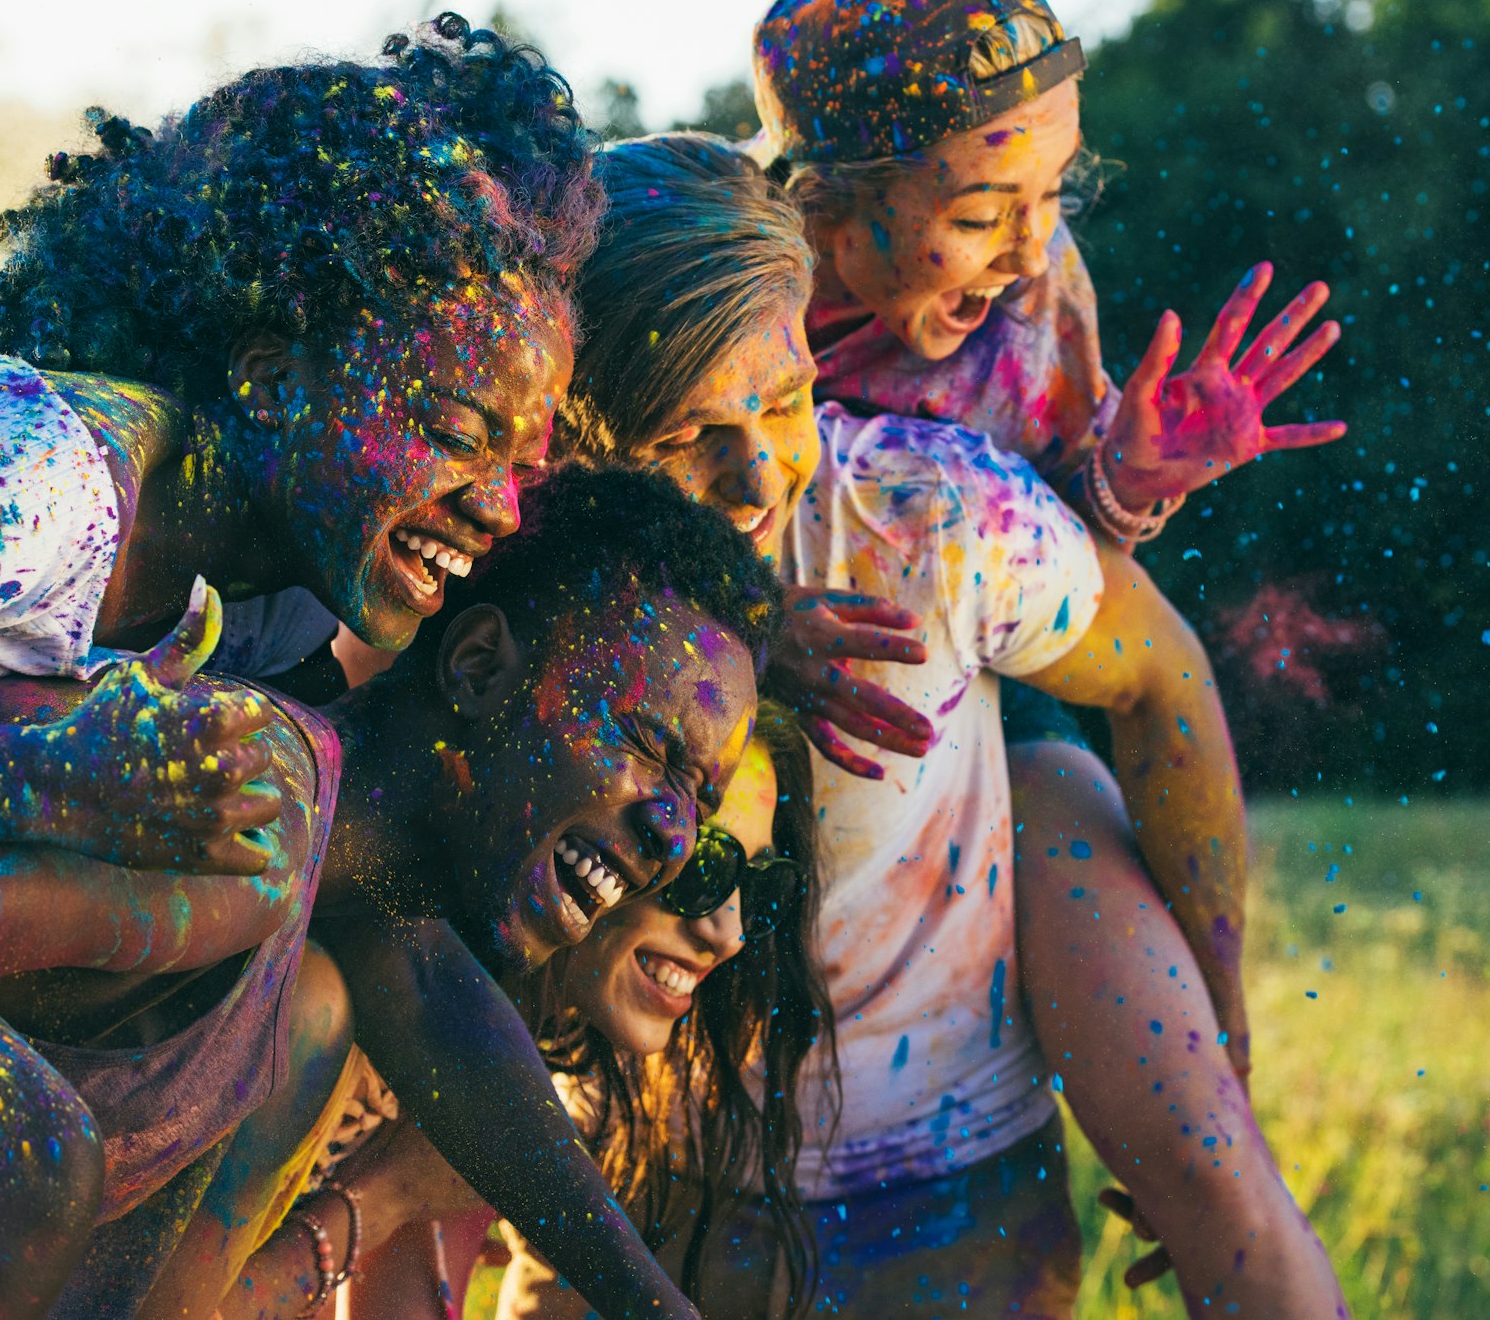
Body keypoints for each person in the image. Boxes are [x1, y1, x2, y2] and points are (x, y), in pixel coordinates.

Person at [534, 130, 1345, 1314]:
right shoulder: (503, 573)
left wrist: (1217, 1036)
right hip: (626, 1191)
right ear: (570, 438)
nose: (758, 479)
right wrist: (734, 639)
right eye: (682, 442)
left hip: (941, 1198)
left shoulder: (921, 510)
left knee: (1222, 1178)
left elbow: (1163, 677)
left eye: (779, 404)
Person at [0, 466, 774, 1320]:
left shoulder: (319, 968)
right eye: (645, 746)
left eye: (702, 797)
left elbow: (443, 1010)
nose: (673, 834)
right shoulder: (236, 803)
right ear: (481, 665)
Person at [0, 12, 596, 878]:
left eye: (522, 470)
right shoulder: (41, 477)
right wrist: (32, 787)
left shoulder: (278, 603)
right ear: (273, 380)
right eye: (452, 434)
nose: (500, 508)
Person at [228, 704, 829, 1320]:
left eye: (758, 886)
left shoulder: (505, 1072)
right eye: (699, 865)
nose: (728, 934)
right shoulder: (329, 994)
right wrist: (383, 1198)